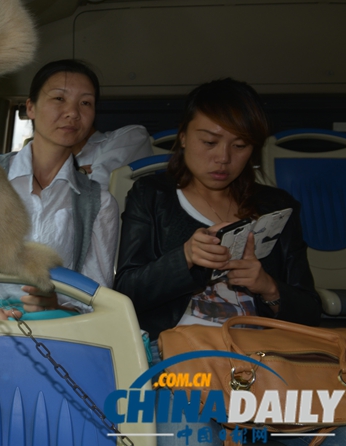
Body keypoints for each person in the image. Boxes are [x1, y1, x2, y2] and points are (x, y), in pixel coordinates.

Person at [114, 78, 335, 445]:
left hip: (264, 359)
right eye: (209, 141)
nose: (223, 158)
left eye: (240, 145)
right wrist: (183, 258)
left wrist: (267, 286)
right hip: (181, 357)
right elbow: (126, 293)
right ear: (183, 137)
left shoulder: (276, 207)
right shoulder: (152, 197)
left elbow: (309, 312)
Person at [0, 59, 119, 319]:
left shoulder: (99, 202)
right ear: (31, 107)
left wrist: (56, 306)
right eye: (59, 99)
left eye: (85, 103)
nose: (73, 112)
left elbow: (96, 293)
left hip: (51, 329)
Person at [73, 124, 154, 190]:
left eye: (85, 103)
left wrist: (70, 176)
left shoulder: (130, 135)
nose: (72, 113)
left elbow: (97, 189)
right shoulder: (64, 163)